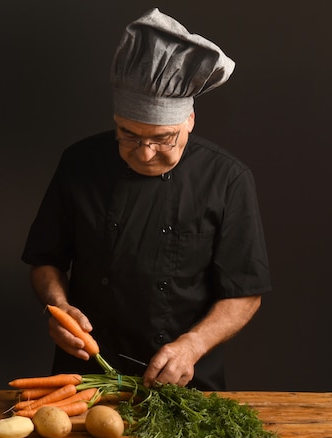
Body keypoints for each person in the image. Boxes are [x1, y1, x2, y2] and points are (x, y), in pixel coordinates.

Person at [22, 9, 271, 391]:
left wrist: (193, 344)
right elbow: (45, 259)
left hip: (185, 382)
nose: (144, 153)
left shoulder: (227, 178)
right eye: (128, 135)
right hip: (86, 378)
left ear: (189, 120)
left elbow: (245, 292)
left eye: (161, 138)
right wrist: (58, 307)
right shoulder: (79, 163)